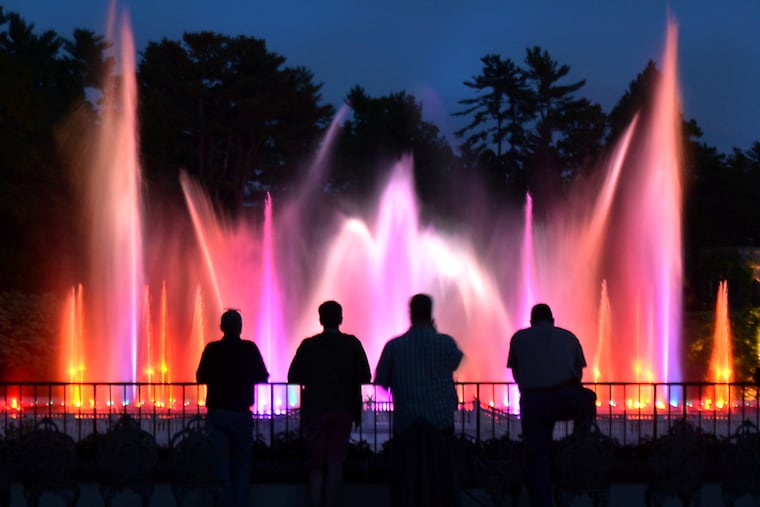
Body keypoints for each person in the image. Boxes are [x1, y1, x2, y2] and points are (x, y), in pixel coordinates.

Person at [374, 293, 464, 507]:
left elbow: (380, 381)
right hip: (440, 422)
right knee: (441, 480)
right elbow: (456, 363)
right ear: (431, 313)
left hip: (407, 423)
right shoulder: (445, 343)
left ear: (411, 314)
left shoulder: (394, 346)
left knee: (408, 481)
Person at [507, 303, 597, 507]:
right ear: (553, 320)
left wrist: (529, 388)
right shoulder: (568, 337)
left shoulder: (519, 338)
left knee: (537, 458)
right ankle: (577, 442)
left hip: (533, 401)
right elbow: (578, 372)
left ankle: (544, 502)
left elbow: (516, 372)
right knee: (588, 399)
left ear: (531, 322)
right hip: (564, 396)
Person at [287, 300, 372, 507]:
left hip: (315, 410)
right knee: (335, 463)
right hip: (343, 409)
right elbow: (366, 376)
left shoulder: (309, 346)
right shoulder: (352, 344)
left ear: (320, 319)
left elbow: (293, 376)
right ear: (340, 319)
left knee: (316, 465)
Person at [196, 309, 269, 507]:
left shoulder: (212, 349)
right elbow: (263, 376)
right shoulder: (249, 349)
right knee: (242, 468)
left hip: (218, 412)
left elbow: (200, 377)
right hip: (241, 412)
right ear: (240, 328)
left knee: (220, 468)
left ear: (221, 328)